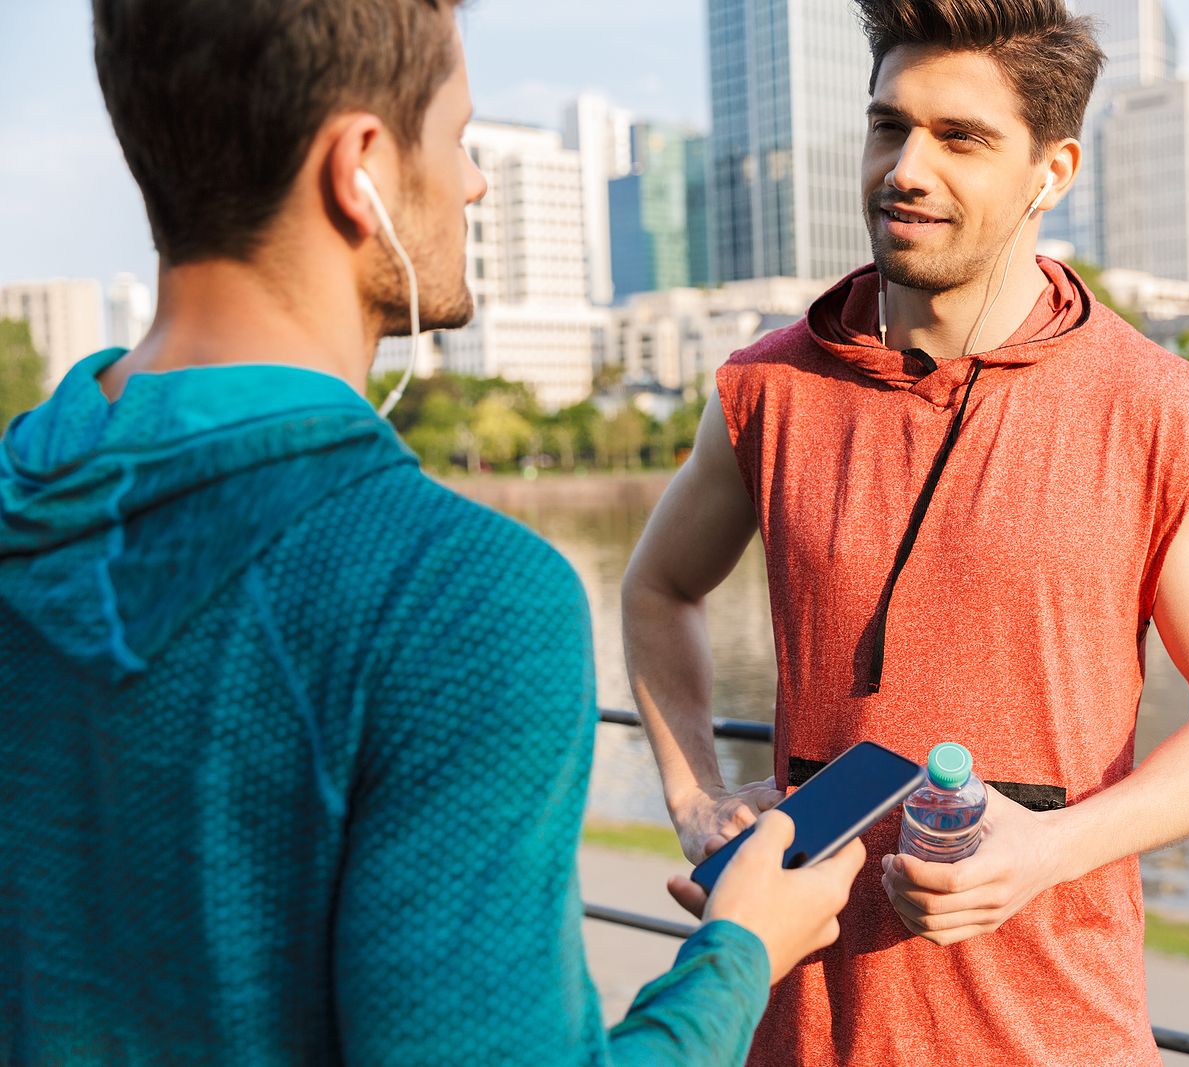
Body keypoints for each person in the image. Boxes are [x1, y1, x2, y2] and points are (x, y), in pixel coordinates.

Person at [0, 2, 864, 1064]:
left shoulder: (23, 498)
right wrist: (739, 948)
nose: (473, 183)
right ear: (359, 167)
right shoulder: (461, 603)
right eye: (458, 138)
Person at [621, 0, 1189, 1062]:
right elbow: (657, 588)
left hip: (1055, 1030)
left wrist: (1048, 849)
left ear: (1052, 169)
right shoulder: (763, 388)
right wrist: (695, 796)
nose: (907, 167)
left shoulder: (1160, 411)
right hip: (798, 1032)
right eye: (890, 126)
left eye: (961, 137)